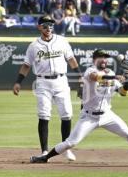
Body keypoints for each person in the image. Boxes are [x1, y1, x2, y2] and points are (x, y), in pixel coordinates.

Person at [30, 49, 128, 164]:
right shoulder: (90, 71)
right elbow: (96, 77)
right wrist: (115, 77)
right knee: (71, 142)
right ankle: (45, 157)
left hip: (107, 115)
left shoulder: (111, 72)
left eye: (106, 57)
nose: (104, 60)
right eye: (101, 57)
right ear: (95, 59)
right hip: (88, 116)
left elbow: (123, 93)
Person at [13, 15, 80, 162]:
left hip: (61, 81)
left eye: (50, 25)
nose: (48, 28)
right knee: (44, 115)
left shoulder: (62, 41)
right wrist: (18, 82)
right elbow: (26, 65)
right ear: (39, 27)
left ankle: (65, 149)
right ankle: (44, 151)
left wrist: (79, 75)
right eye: (45, 25)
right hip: (43, 82)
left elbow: (71, 59)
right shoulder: (34, 46)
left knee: (67, 114)